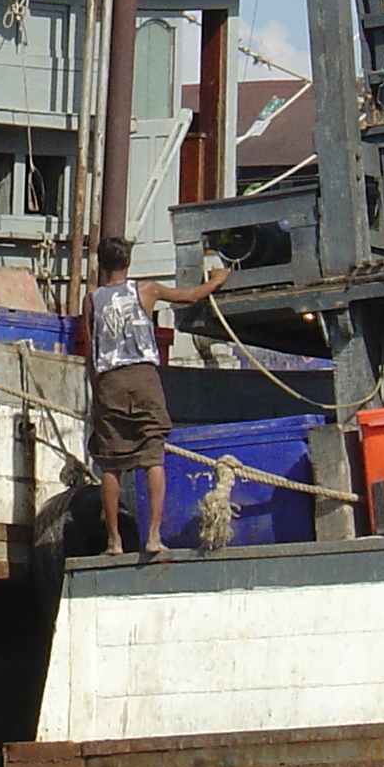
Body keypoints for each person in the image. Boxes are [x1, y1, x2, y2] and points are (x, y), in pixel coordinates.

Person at [87, 234, 229, 557]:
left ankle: (114, 541)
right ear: (128, 263)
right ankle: (153, 537)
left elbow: (91, 354)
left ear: (101, 263)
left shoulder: (92, 300)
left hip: (110, 380)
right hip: (144, 377)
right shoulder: (146, 290)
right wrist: (218, 279)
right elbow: (190, 296)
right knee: (152, 455)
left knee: (111, 462)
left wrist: (98, 393)